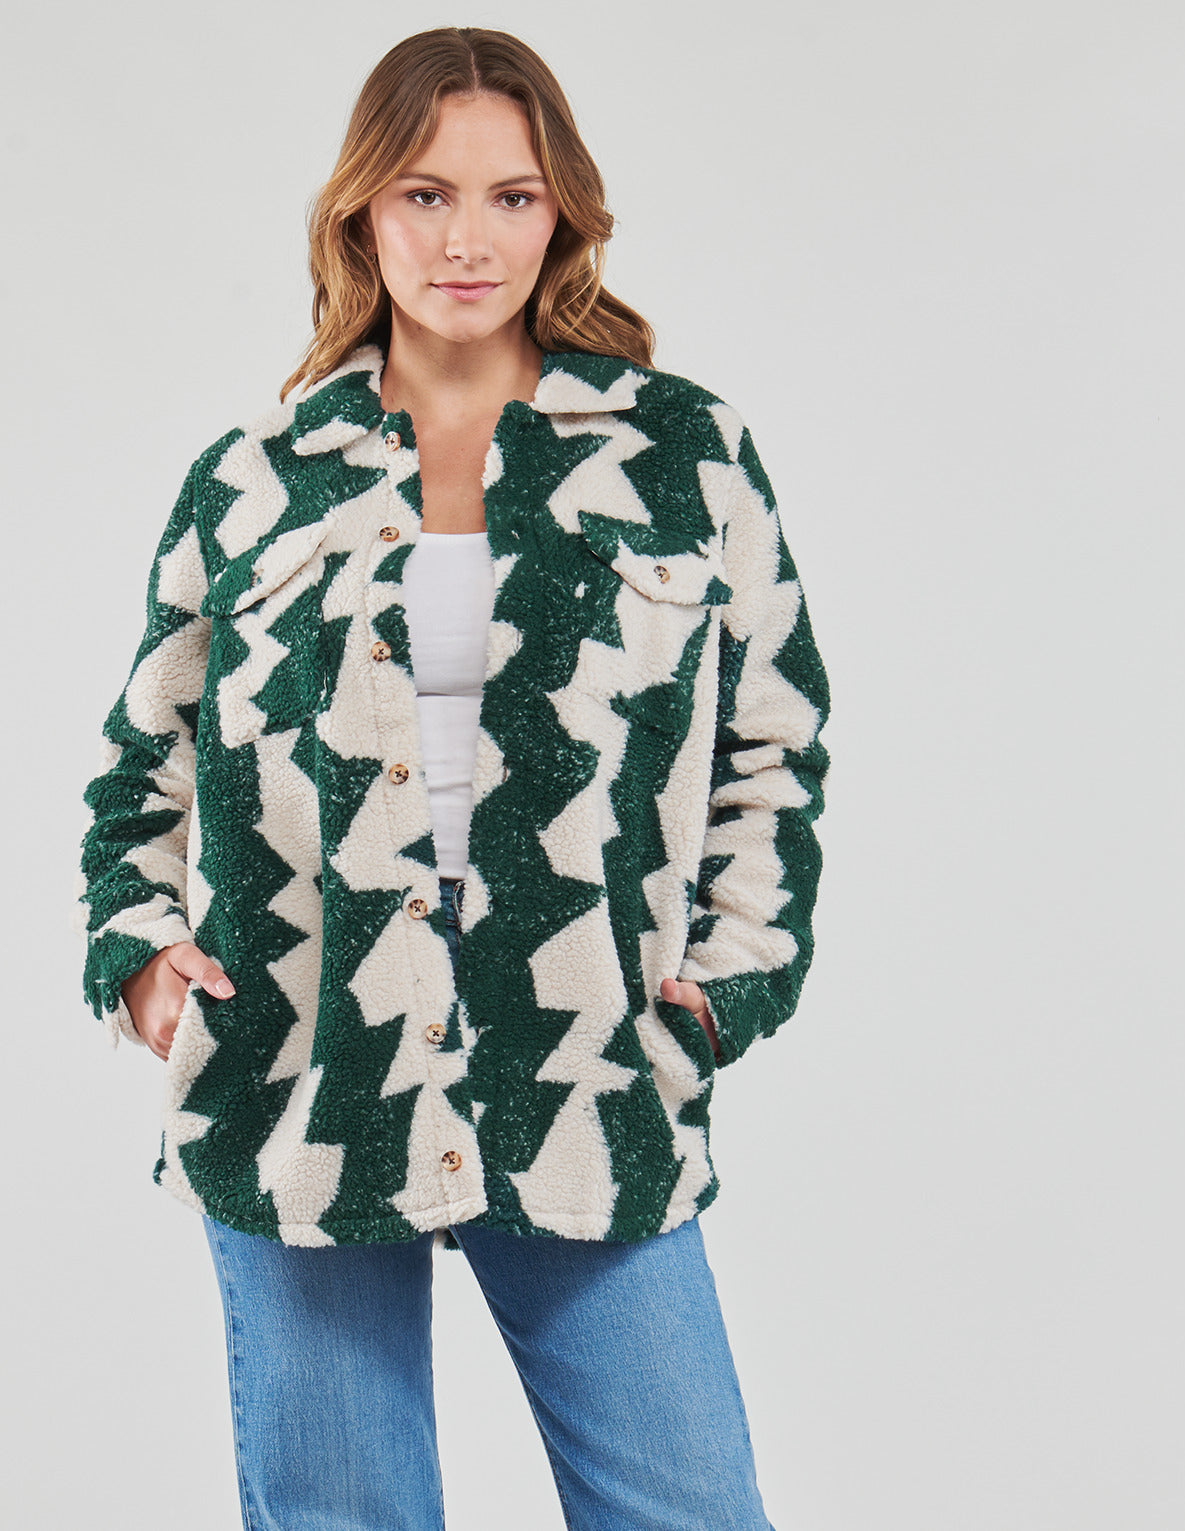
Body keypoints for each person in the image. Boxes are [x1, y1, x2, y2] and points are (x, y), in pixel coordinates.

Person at [74, 25, 831, 1531]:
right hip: (300, 1078)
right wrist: (140, 954)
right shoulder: (253, 479)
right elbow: (141, 761)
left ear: (563, 216)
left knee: (688, 1508)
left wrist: (730, 981)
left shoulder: (685, 456)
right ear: (362, 210)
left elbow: (777, 743)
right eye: (424, 194)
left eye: (511, 196)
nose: (465, 241)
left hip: (588, 1072)